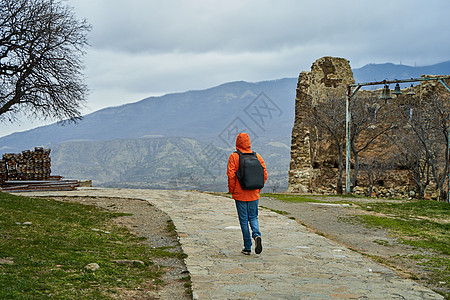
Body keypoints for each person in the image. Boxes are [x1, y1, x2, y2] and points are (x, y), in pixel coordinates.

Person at [227, 132, 267, 255]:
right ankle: (256, 235)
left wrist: (232, 190)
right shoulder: (257, 156)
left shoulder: (234, 157)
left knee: (244, 220)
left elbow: (231, 175)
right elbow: (264, 173)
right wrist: (258, 189)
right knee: (253, 217)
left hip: (240, 194)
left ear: (237, 143)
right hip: (254, 193)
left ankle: (247, 247)